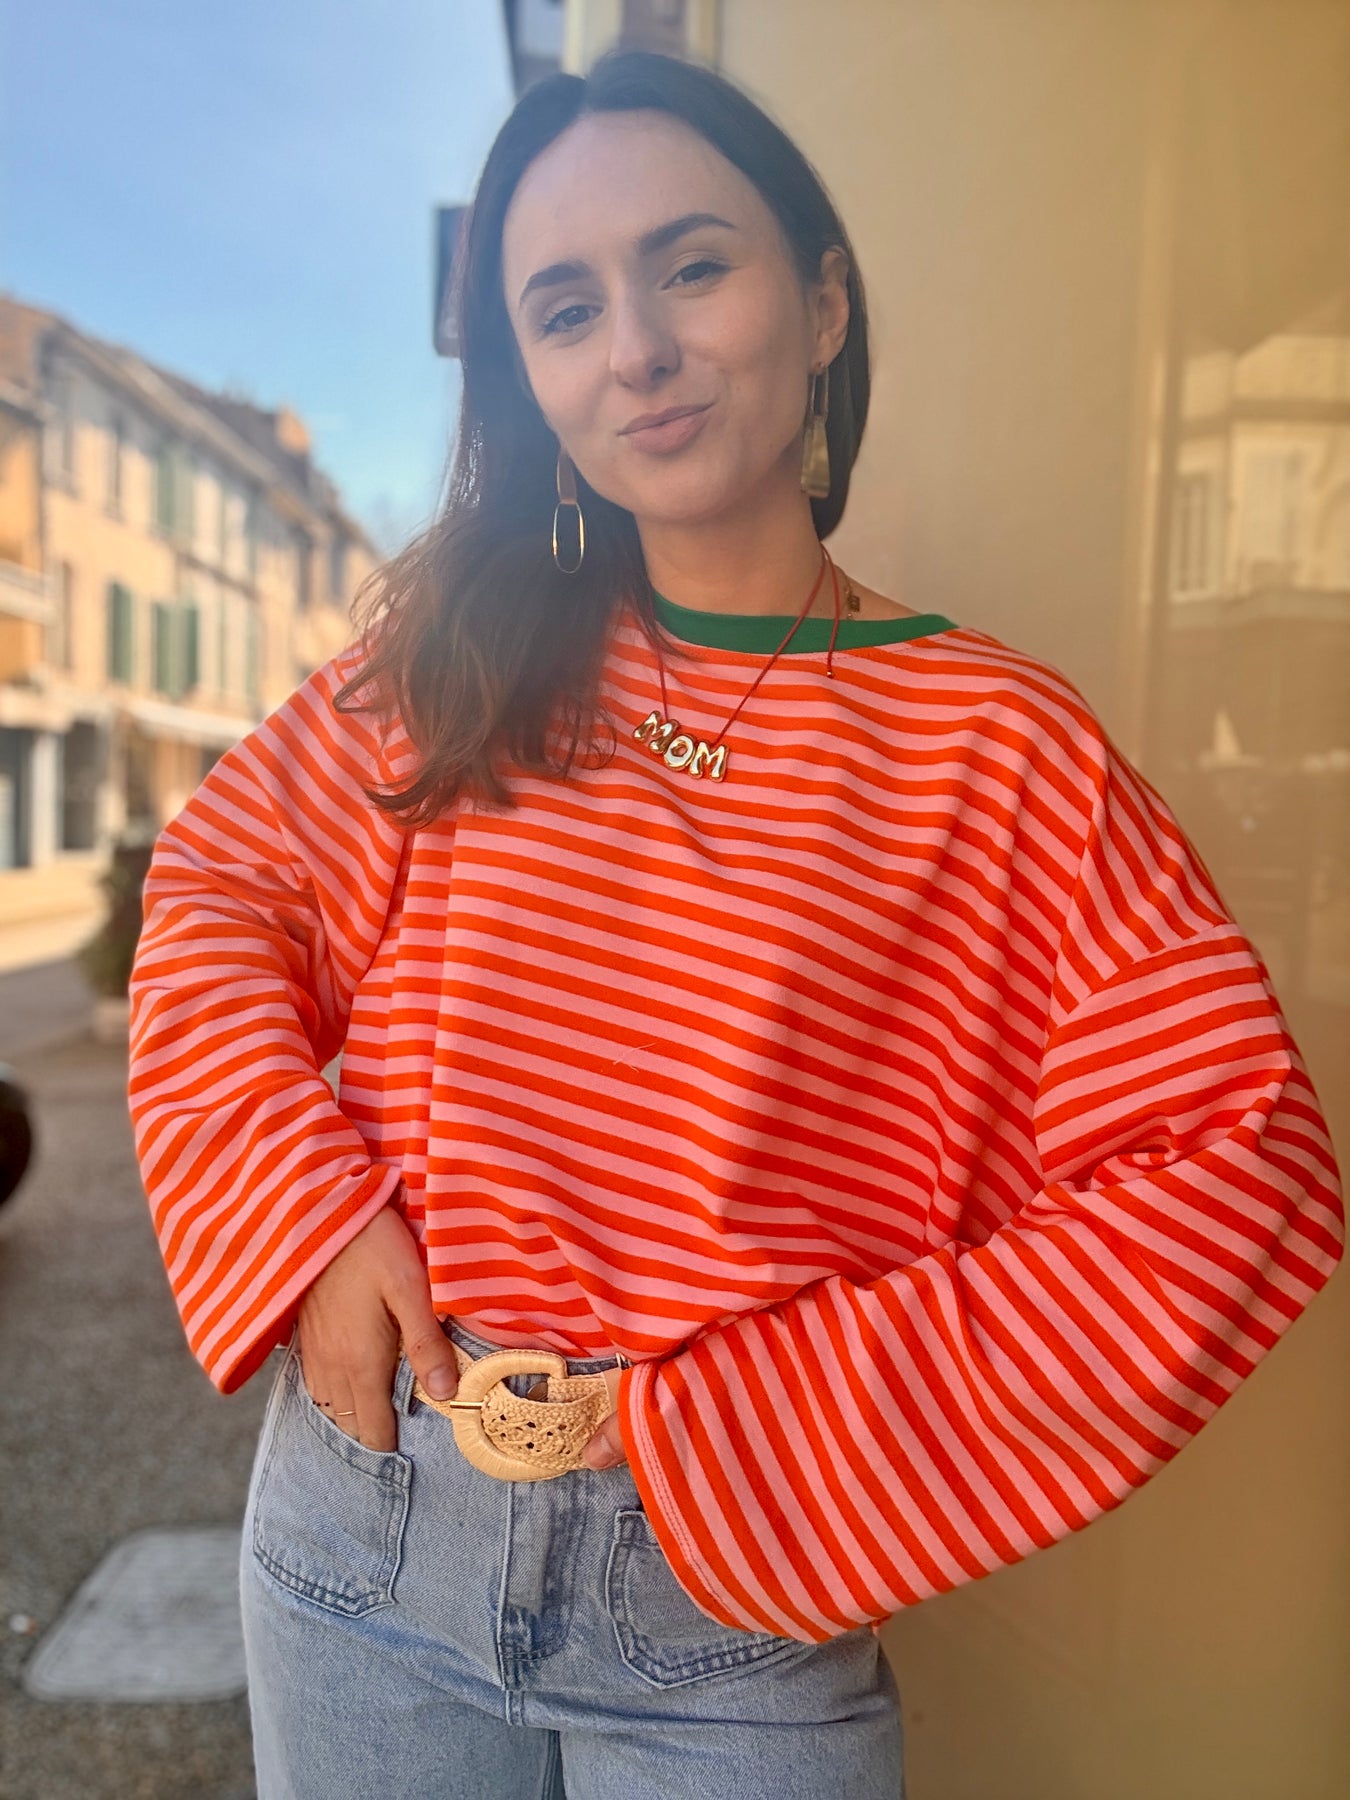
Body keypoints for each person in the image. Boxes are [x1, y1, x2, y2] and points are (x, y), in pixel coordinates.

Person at [127, 48, 1343, 1800]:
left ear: (822, 302)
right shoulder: (448, 669)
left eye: (690, 266)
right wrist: (306, 1224)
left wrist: (756, 1433)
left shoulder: (995, 747)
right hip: (366, 1529)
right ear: (531, 382)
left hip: (726, 1611)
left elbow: (1233, 1165)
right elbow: (217, 894)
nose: (634, 348)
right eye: (564, 310)